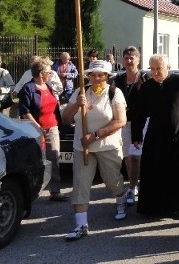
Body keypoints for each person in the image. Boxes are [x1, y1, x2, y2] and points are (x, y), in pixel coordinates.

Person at [61, 60, 128, 241]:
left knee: (111, 180)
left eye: (101, 75)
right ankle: (81, 225)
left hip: (108, 145)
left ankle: (121, 200)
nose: (97, 79)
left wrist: (95, 135)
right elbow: (66, 119)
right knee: (81, 183)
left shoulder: (114, 93)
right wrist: (76, 105)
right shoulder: (80, 92)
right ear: (88, 76)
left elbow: (120, 121)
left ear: (107, 77)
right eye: (93, 75)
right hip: (83, 147)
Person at [132, 54, 179, 219]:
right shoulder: (146, 87)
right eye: (152, 69)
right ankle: (155, 206)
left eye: (158, 68)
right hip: (156, 135)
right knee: (154, 169)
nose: (155, 72)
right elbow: (139, 112)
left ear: (167, 67)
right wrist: (137, 134)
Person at [18, 59, 68, 201]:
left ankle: (55, 191)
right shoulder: (28, 89)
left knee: (54, 158)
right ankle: (32, 192)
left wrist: (58, 125)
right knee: (36, 161)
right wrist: (38, 127)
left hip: (52, 128)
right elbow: (25, 111)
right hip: (36, 130)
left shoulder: (48, 86)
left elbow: (54, 107)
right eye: (48, 72)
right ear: (41, 74)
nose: (50, 74)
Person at [111, 46, 148, 206]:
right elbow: (111, 97)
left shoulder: (144, 78)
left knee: (136, 157)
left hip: (141, 122)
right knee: (127, 155)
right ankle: (133, 184)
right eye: (126, 58)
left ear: (138, 60)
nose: (129, 61)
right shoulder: (118, 80)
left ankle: (133, 187)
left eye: (132, 58)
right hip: (123, 122)